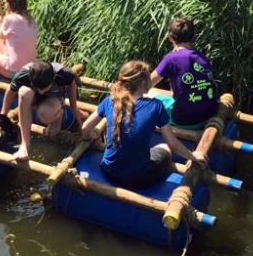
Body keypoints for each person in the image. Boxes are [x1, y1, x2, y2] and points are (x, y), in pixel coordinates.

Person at [81, 61, 206, 189]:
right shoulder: (155, 106)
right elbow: (173, 144)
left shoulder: (110, 100)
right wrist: (193, 157)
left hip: (108, 171)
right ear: (142, 83)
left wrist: (92, 136)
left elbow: (85, 129)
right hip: (139, 178)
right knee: (164, 146)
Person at [1, 60, 80, 162]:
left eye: (45, 88)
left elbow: (72, 83)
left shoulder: (63, 74)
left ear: (53, 78)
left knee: (44, 115)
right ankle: (25, 145)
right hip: (34, 99)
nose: (42, 91)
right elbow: (11, 90)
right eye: (38, 88)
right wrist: (2, 115)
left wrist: (74, 107)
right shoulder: (24, 73)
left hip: (53, 99)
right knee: (24, 92)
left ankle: (58, 117)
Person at [150, 16, 217, 128]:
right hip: (209, 114)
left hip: (184, 119)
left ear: (170, 38)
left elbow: (147, 84)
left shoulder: (171, 58)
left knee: (148, 97)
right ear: (192, 36)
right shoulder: (203, 57)